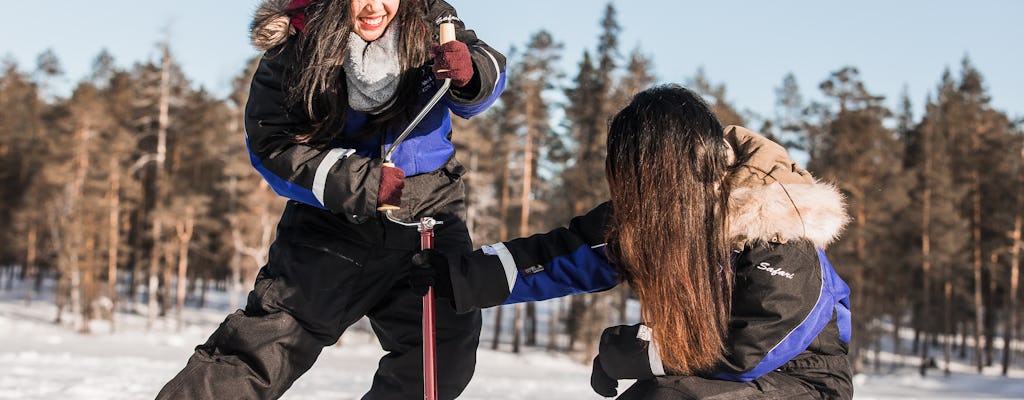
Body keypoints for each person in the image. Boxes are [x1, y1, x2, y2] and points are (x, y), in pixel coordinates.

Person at [157, 0, 505, 399]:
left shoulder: (433, 21)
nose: (375, 6)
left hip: (428, 223)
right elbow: (271, 146)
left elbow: (487, 73)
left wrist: (471, 72)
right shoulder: (296, 44)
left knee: (440, 358)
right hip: (331, 228)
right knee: (262, 352)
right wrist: (355, 182)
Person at [412, 85, 853, 399]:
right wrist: (458, 276)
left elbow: (749, 349)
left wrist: (628, 352)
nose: (631, 193)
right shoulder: (661, 213)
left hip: (803, 383)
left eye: (640, 176)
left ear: (671, 168)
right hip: (705, 376)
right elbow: (565, 255)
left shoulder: (778, 229)